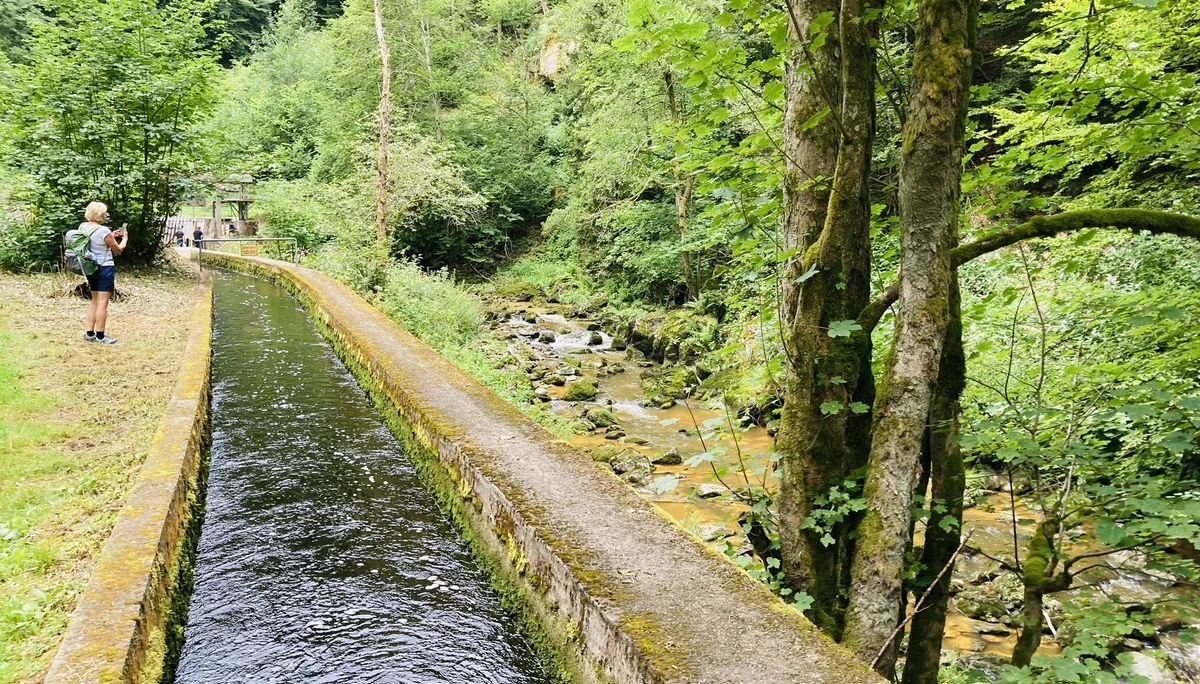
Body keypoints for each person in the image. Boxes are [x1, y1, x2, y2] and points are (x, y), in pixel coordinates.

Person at [80, 202, 127, 345]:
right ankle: (100, 336)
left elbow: (95, 241)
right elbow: (118, 250)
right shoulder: (103, 231)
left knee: (94, 300)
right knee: (103, 302)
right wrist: (124, 239)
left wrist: (110, 236)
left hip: (90, 268)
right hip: (104, 268)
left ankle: (89, 333)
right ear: (101, 214)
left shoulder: (83, 227)